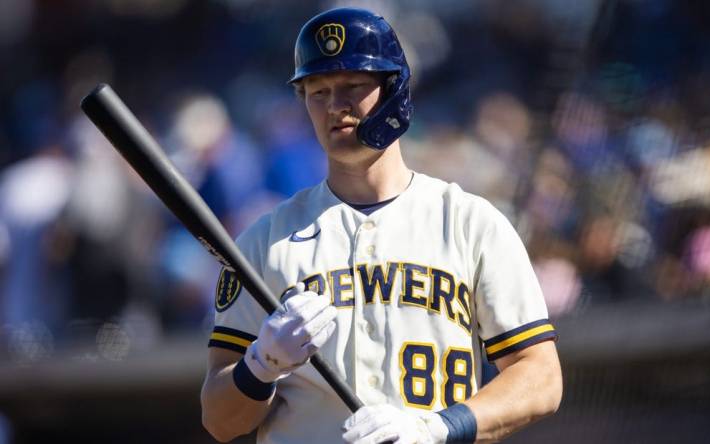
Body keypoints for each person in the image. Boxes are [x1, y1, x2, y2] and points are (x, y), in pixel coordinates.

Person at [200, 7, 562, 444]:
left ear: (396, 92)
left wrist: (438, 428)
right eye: (318, 90)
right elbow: (219, 420)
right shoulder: (264, 241)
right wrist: (259, 366)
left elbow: (540, 377)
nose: (336, 106)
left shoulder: (470, 222)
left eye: (353, 86)